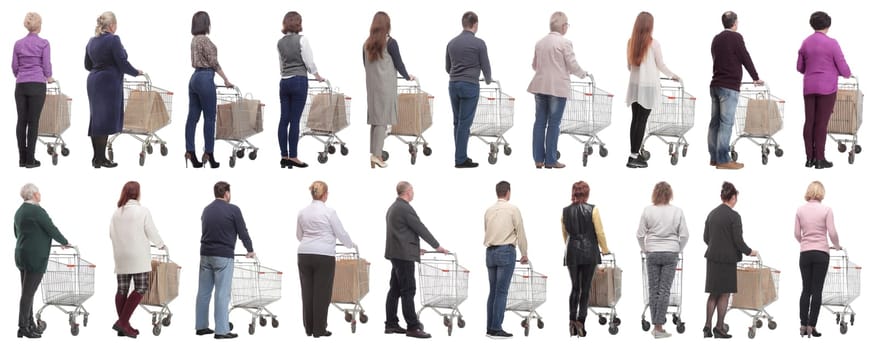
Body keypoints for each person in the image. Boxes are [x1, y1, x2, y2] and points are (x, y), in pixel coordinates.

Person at [384, 181, 449, 338]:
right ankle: (413, 327)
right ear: (407, 192)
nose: (413, 192)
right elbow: (420, 228)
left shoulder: (393, 207)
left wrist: (414, 248)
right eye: (412, 190)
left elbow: (400, 233)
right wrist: (437, 246)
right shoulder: (405, 208)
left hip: (396, 253)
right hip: (403, 257)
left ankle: (391, 324)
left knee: (395, 289)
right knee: (408, 290)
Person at [527, 11, 588, 169]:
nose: (567, 27)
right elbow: (572, 65)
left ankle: (538, 160)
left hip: (540, 86)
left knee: (539, 123)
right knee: (554, 124)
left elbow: (534, 66)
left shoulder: (540, 43)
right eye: (567, 24)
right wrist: (583, 74)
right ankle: (551, 160)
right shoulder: (565, 43)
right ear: (563, 26)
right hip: (557, 88)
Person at [195, 181, 255, 339]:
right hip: (223, 256)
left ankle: (201, 327)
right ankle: (221, 330)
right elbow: (242, 231)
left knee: (203, 292)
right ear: (226, 193)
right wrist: (250, 249)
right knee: (222, 294)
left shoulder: (206, 210)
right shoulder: (233, 209)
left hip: (205, 255)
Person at [296, 181, 355, 338]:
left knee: (307, 293)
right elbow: (341, 233)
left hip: (304, 254)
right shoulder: (329, 212)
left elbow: (299, 236)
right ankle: (319, 330)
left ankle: (309, 329)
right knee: (322, 294)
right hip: (324, 256)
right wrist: (350, 245)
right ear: (325, 194)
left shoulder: (302, 212)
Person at [85, 11, 143, 168]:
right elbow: (122, 63)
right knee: (104, 120)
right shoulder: (113, 39)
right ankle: (101, 159)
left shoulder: (91, 41)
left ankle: (97, 158)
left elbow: (87, 65)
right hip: (108, 83)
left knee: (97, 119)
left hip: (93, 82)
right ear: (112, 25)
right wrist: (136, 72)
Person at [109, 181, 167, 338]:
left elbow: (111, 234)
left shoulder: (117, 212)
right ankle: (122, 323)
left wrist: (120, 247)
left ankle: (123, 326)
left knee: (122, 289)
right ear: (138, 193)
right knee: (141, 287)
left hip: (120, 255)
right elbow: (151, 231)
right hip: (138, 256)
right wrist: (161, 245)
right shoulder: (143, 211)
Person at [625, 11, 681, 169]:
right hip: (648, 87)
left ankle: (633, 154)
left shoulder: (631, 42)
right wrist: (673, 75)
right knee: (641, 121)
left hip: (635, 86)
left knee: (635, 119)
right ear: (650, 26)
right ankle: (634, 157)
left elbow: (629, 67)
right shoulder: (654, 44)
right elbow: (660, 65)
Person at [14, 183, 71, 338]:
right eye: (38, 192)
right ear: (33, 194)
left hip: (21, 254)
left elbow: (16, 232)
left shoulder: (19, 211)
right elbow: (51, 228)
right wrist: (65, 242)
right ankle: (23, 327)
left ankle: (30, 323)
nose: (40, 194)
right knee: (28, 294)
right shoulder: (37, 211)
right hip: (35, 257)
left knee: (27, 293)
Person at [797, 11, 852, 169]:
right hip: (827, 87)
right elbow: (843, 66)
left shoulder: (805, 42)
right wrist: (847, 74)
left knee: (809, 122)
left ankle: (809, 159)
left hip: (809, 87)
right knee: (821, 123)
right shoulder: (832, 43)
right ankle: (820, 159)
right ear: (828, 25)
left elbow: (800, 67)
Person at [702, 181, 758, 339]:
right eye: (736, 197)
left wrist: (716, 245)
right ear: (732, 197)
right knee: (725, 294)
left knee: (713, 294)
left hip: (712, 258)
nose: (736, 200)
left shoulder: (712, 214)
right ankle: (719, 328)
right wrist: (749, 251)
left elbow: (706, 238)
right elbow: (738, 240)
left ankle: (707, 326)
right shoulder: (734, 216)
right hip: (727, 260)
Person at [709, 11, 762, 170]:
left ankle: (714, 158)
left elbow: (716, 58)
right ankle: (724, 160)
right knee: (726, 124)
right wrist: (755, 77)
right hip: (729, 86)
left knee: (714, 123)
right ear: (735, 23)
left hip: (715, 85)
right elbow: (745, 57)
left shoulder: (716, 39)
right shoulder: (736, 37)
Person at [636, 181, 689, 339]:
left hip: (652, 253)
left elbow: (640, 235)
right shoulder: (677, 211)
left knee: (653, 289)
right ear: (669, 194)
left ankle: (656, 326)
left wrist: (646, 249)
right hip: (670, 253)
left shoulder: (647, 210)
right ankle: (659, 328)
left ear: (655, 193)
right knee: (665, 289)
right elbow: (685, 235)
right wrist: (677, 249)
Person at [364, 11, 415, 169]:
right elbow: (399, 64)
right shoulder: (390, 42)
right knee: (382, 121)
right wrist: (408, 76)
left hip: (372, 87)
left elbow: (365, 65)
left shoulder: (366, 43)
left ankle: (374, 152)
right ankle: (376, 155)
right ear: (387, 25)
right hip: (385, 87)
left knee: (375, 120)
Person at [562, 181, 610, 337]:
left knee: (575, 287)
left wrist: (571, 248)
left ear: (574, 193)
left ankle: (571, 322)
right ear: (586, 193)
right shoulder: (593, 210)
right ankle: (581, 322)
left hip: (572, 252)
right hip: (589, 252)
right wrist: (605, 249)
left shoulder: (565, 211)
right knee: (585, 289)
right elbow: (600, 232)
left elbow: (565, 234)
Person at [185, 11, 232, 169]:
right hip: (205, 79)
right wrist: (226, 79)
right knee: (210, 119)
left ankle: (190, 151)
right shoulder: (205, 41)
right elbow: (214, 63)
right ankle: (209, 154)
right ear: (206, 24)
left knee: (192, 118)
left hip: (194, 79)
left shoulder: (193, 40)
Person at [795, 181, 841, 338]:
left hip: (805, 254)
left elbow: (796, 233)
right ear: (821, 192)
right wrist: (837, 246)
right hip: (822, 253)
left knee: (805, 290)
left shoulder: (800, 210)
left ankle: (802, 325)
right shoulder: (826, 210)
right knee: (817, 291)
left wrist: (805, 243)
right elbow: (832, 232)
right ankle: (811, 326)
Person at [446, 11, 492, 168]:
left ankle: (460, 155)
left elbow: (447, 67)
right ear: (475, 24)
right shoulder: (479, 43)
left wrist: (457, 74)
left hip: (453, 85)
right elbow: (486, 66)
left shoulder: (451, 43)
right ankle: (460, 160)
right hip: (470, 86)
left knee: (457, 122)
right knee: (465, 124)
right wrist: (488, 80)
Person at [483, 181, 528, 338]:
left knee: (493, 292)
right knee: (501, 292)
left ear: (497, 192)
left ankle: (490, 327)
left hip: (490, 252)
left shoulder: (488, 210)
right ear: (508, 192)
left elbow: (486, 230)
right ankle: (496, 328)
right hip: (505, 252)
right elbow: (520, 232)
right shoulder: (512, 209)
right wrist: (524, 253)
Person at [278, 11, 322, 169]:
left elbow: (281, 65)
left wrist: (286, 74)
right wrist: (317, 75)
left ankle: (284, 157)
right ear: (298, 23)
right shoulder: (302, 39)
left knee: (284, 120)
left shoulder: (280, 42)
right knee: (295, 120)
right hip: (298, 81)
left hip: (284, 82)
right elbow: (308, 61)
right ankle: (294, 157)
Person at [12, 12, 54, 168]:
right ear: (39, 26)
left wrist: (21, 75)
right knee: (33, 122)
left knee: (21, 121)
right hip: (37, 85)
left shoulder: (18, 43)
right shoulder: (44, 43)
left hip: (21, 85)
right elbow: (46, 64)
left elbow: (14, 66)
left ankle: (22, 159)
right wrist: (48, 77)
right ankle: (31, 159)